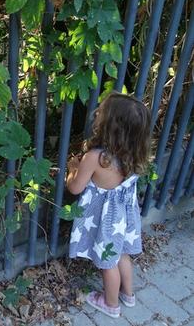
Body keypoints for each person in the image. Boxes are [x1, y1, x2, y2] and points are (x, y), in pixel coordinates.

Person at [66, 92, 151, 318]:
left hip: (105, 222)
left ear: (110, 126)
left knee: (107, 263)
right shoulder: (133, 155)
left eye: (100, 112)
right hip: (122, 218)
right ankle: (128, 294)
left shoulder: (95, 157)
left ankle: (110, 304)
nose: (96, 113)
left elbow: (75, 187)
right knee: (122, 254)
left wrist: (72, 169)